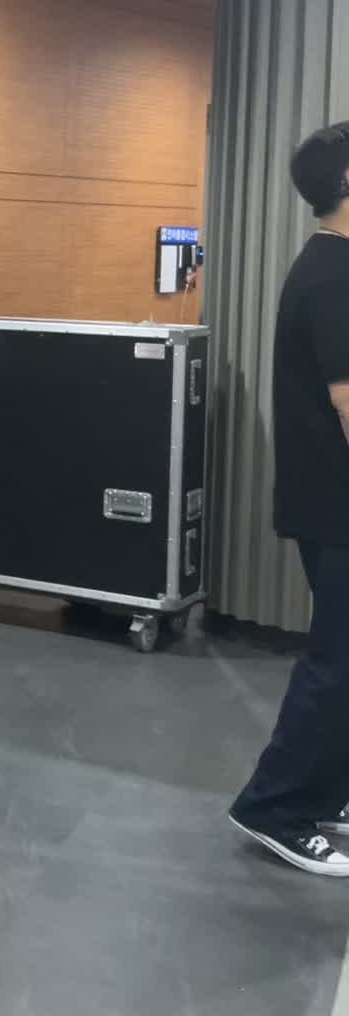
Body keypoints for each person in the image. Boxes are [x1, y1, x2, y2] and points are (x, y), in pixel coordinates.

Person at [228, 122, 349, 877]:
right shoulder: (334, 276)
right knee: (336, 663)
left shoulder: (335, 265)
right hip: (338, 505)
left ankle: (325, 793)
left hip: (332, 501)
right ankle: (274, 807)